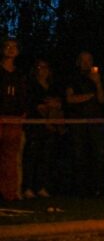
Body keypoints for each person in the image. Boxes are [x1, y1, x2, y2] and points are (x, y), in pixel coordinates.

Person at [65, 51, 104, 197]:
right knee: (79, 155)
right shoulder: (73, 78)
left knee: (97, 155)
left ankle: (96, 188)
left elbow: (102, 100)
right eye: (83, 60)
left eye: (89, 60)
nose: (86, 63)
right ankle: (79, 190)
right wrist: (88, 96)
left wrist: (98, 83)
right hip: (78, 122)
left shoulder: (97, 78)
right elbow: (70, 99)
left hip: (95, 122)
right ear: (78, 62)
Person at [23, 59, 61, 199]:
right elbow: (35, 105)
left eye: (45, 67)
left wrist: (54, 109)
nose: (43, 70)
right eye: (40, 67)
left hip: (50, 127)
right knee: (31, 156)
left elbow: (58, 104)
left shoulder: (52, 86)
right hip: (35, 126)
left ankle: (41, 186)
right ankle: (28, 186)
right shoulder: (31, 85)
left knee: (45, 157)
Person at [0, 38, 26, 201]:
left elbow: (23, 97)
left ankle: (10, 192)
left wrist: (23, 113)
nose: (11, 49)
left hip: (14, 120)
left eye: (14, 47)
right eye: (8, 46)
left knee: (11, 158)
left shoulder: (19, 75)